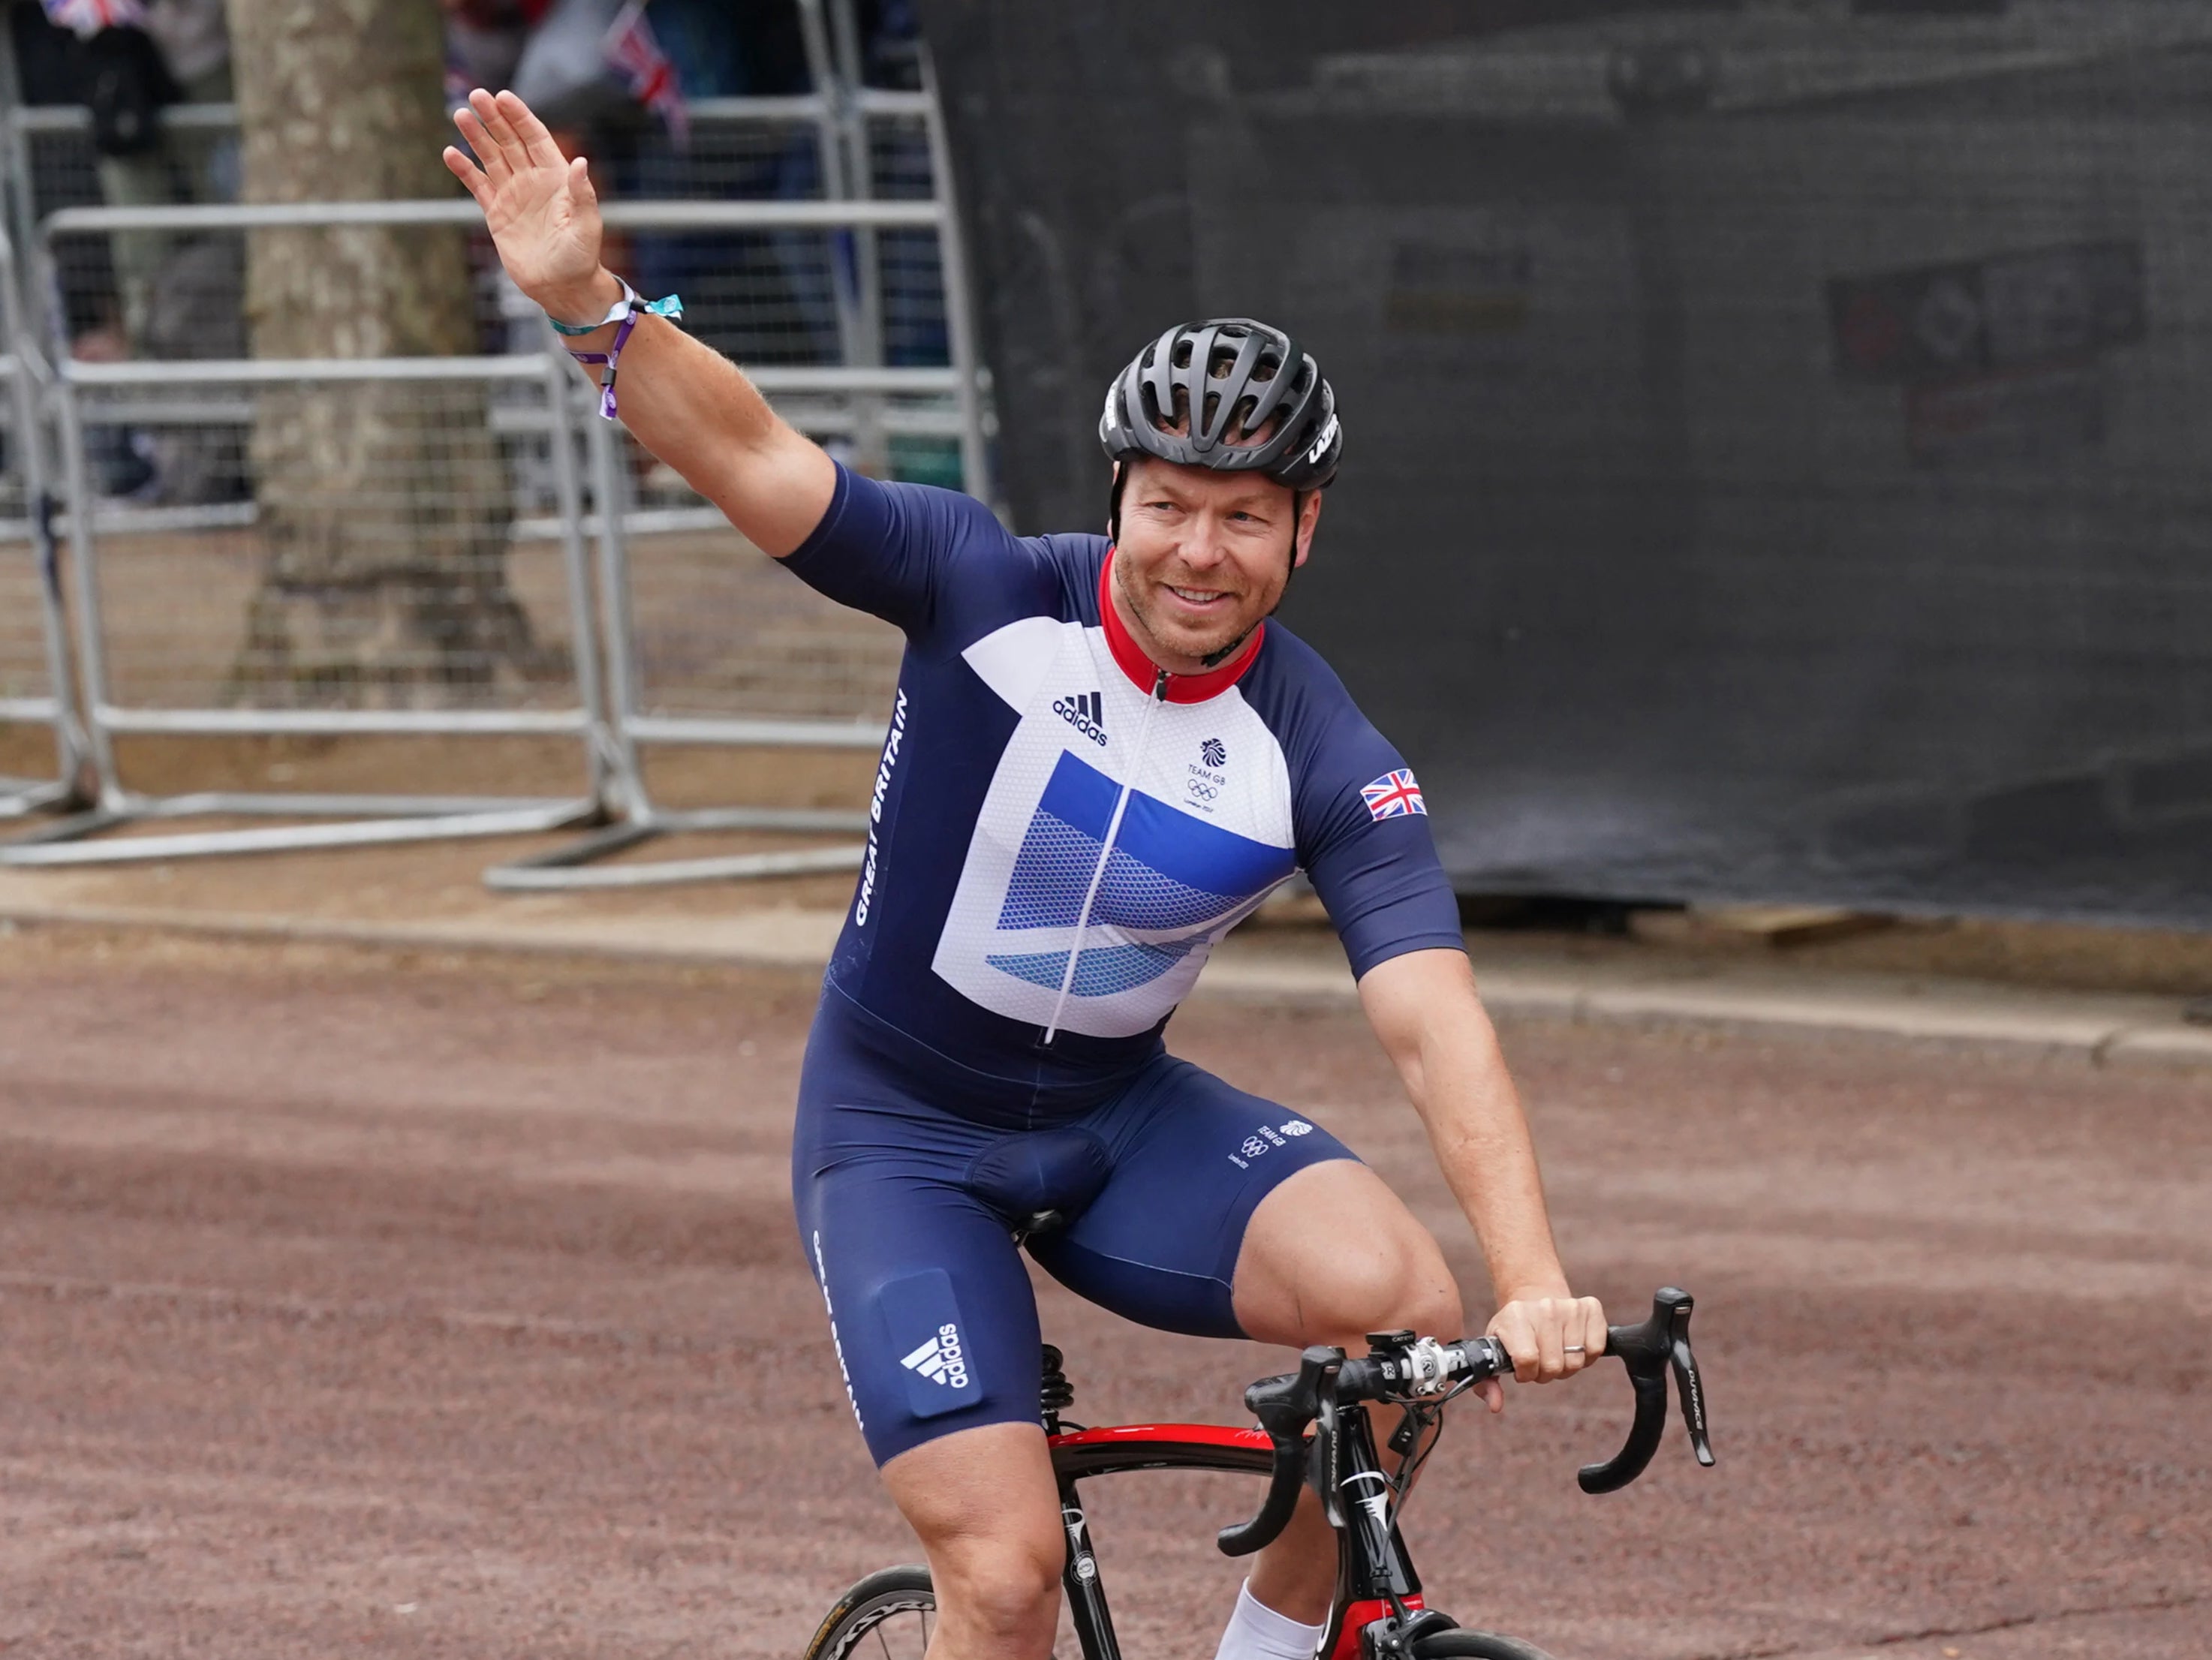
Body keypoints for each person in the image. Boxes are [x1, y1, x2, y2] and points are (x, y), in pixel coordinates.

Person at [445, 86, 1609, 1660]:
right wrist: (589, 299)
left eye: (1245, 518)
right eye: (1169, 507)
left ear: (1304, 531)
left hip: (1118, 1121)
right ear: (1118, 494)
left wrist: (1530, 1274)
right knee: (1000, 1583)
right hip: (899, 1133)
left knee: (1399, 1329)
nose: (1200, 550)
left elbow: (1430, 1012)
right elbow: (751, 454)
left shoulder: (1320, 746)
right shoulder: (981, 588)